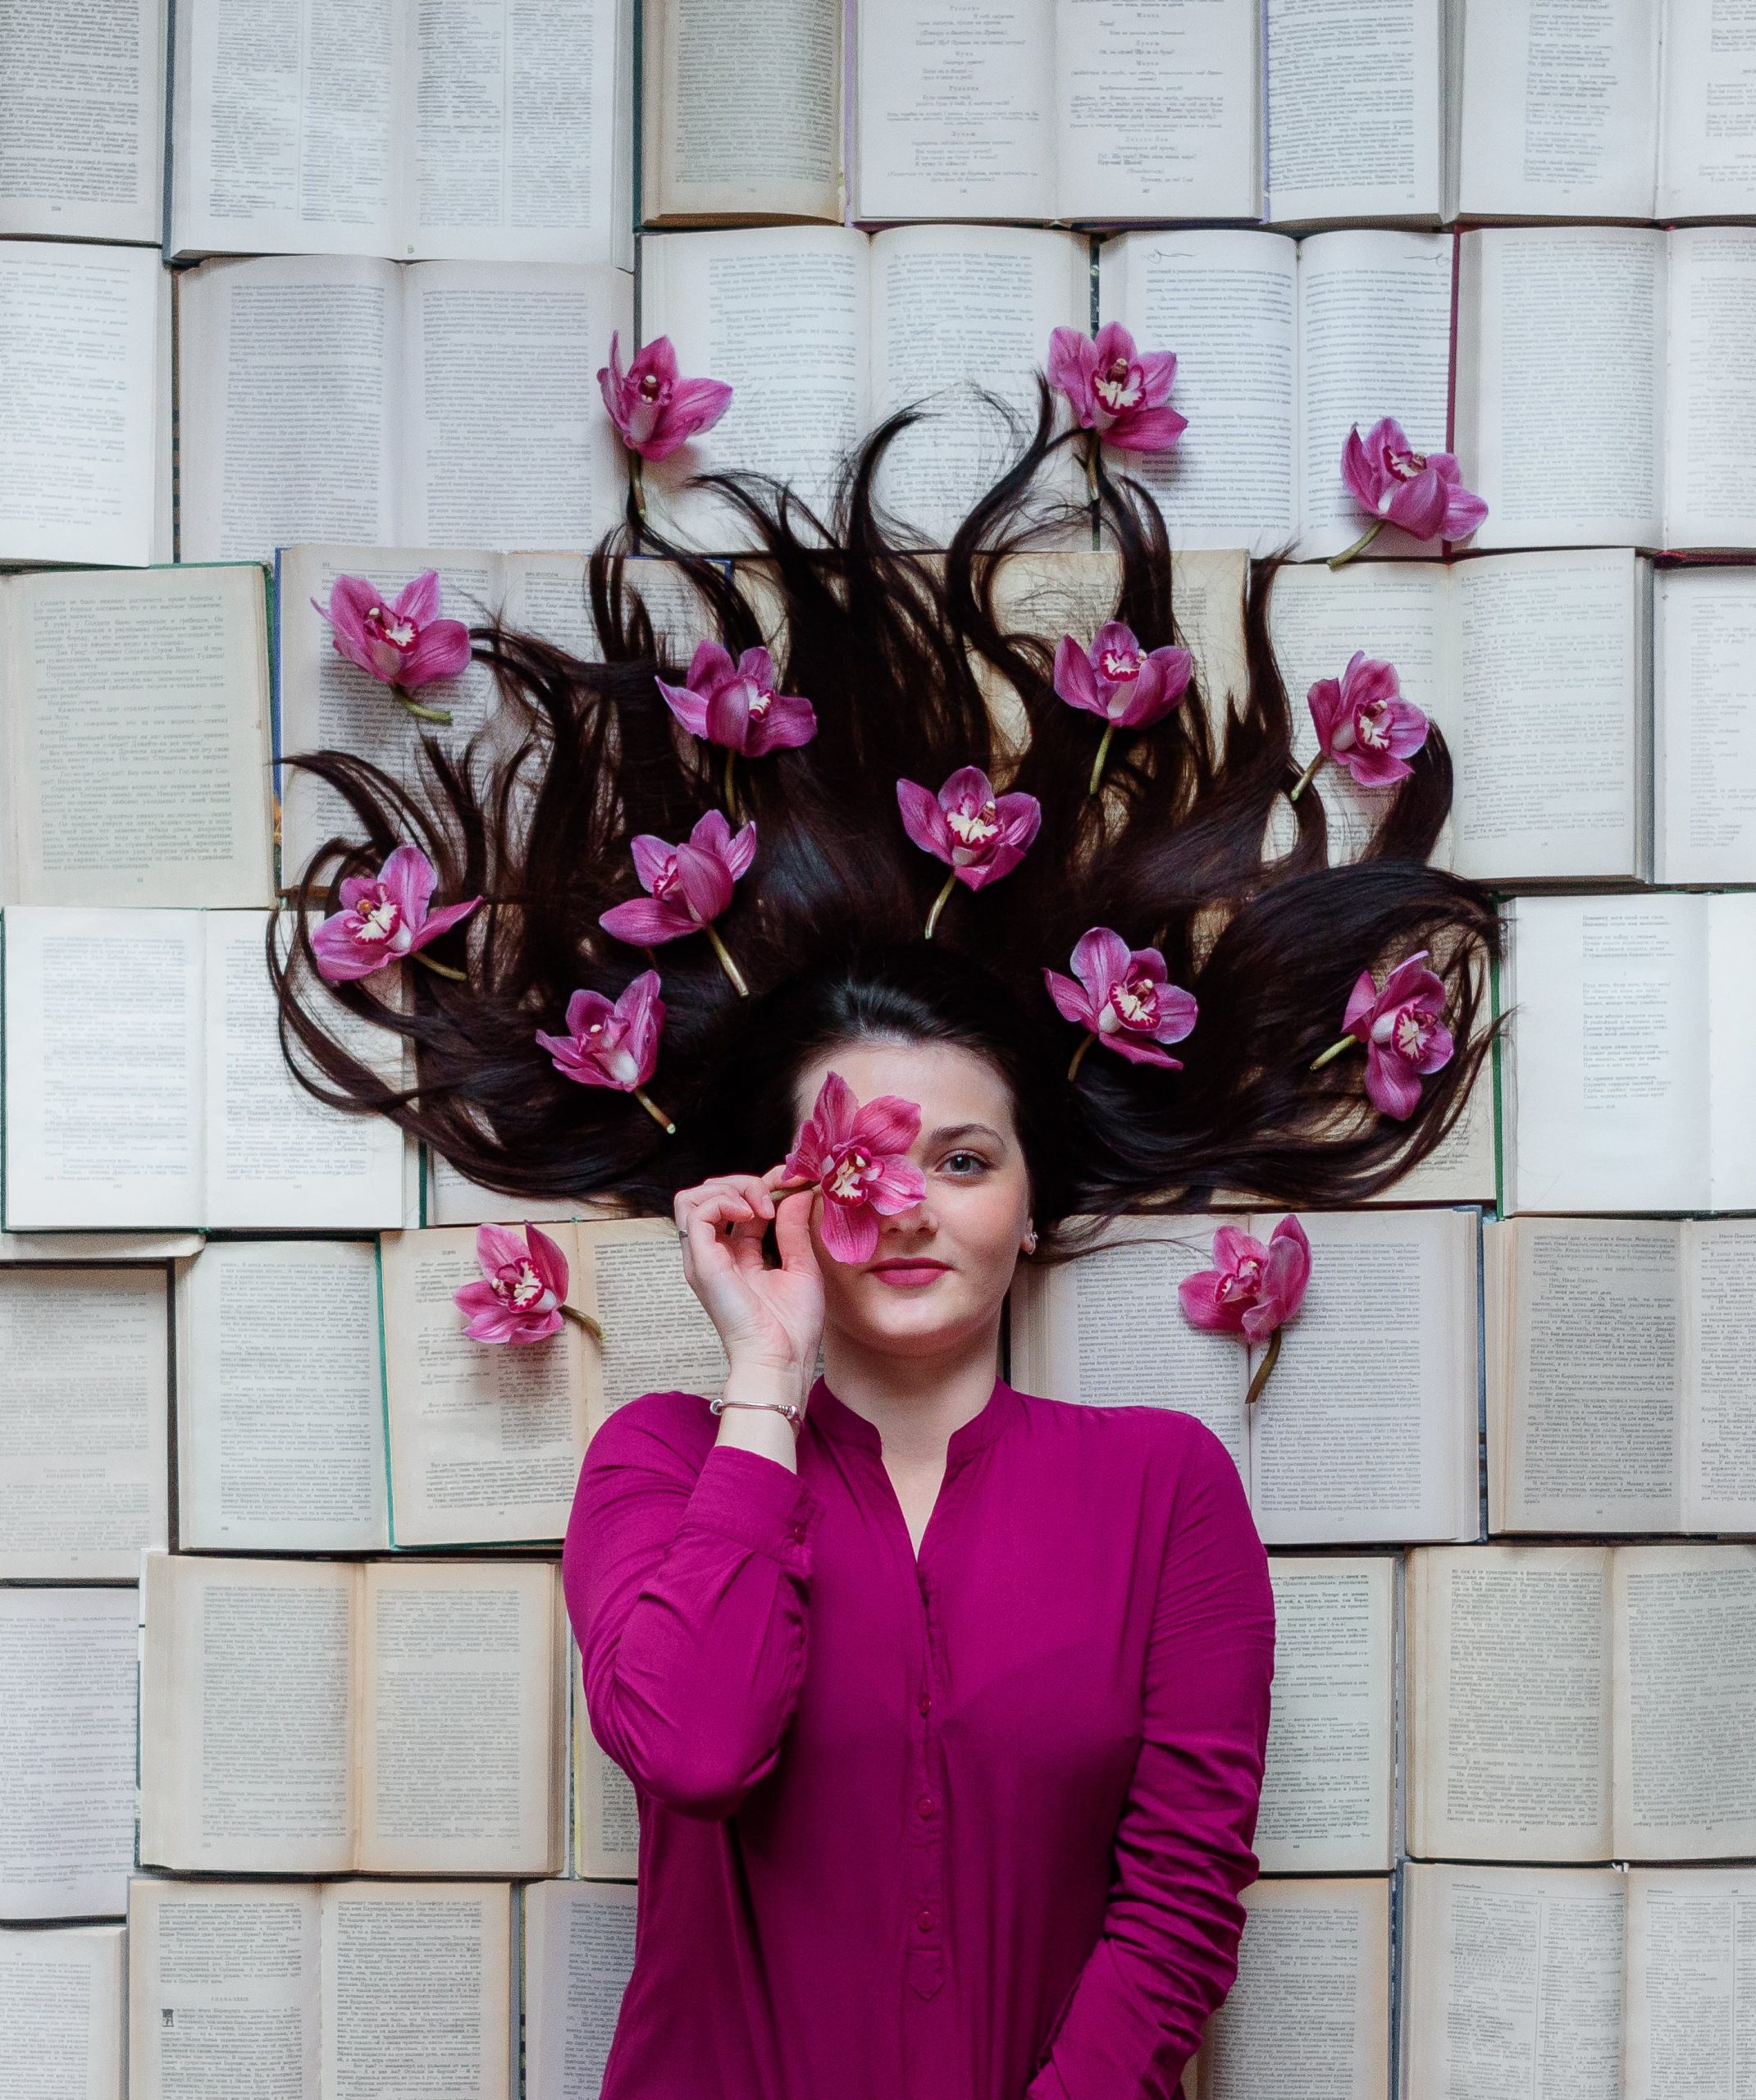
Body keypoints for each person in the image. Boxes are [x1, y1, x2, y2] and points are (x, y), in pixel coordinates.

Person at [272, 389, 1499, 2096]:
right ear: (777, 1190)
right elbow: (699, 1747)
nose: (914, 1197)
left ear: (1030, 1199)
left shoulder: (1165, 1494)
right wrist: (762, 1379)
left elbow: (1180, 1904)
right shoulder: (658, 1465)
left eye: (967, 1154)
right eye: (865, 1157)